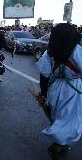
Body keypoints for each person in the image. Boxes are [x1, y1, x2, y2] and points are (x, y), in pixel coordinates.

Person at [37, 23, 82, 158]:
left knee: (56, 116)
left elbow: (44, 75)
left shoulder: (49, 53)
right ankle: (59, 144)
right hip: (73, 91)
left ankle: (61, 142)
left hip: (55, 90)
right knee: (70, 119)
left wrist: (44, 94)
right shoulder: (77, 51)